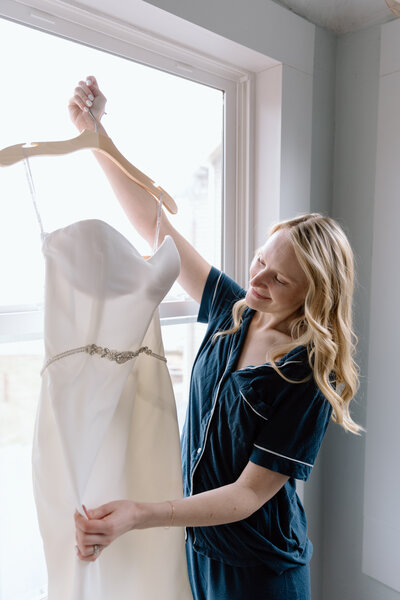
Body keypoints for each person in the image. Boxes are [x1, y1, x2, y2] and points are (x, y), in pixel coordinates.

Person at [69, 76, 362, 600]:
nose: (258, 280)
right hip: (201, 551)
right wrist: (97, 139)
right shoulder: (235, 312)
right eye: (260, 259)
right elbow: (157, 229)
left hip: (260, 573)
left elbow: (247, 496)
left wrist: (142, 513)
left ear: (314, 295)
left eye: (279, 280)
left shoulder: (309, 372)